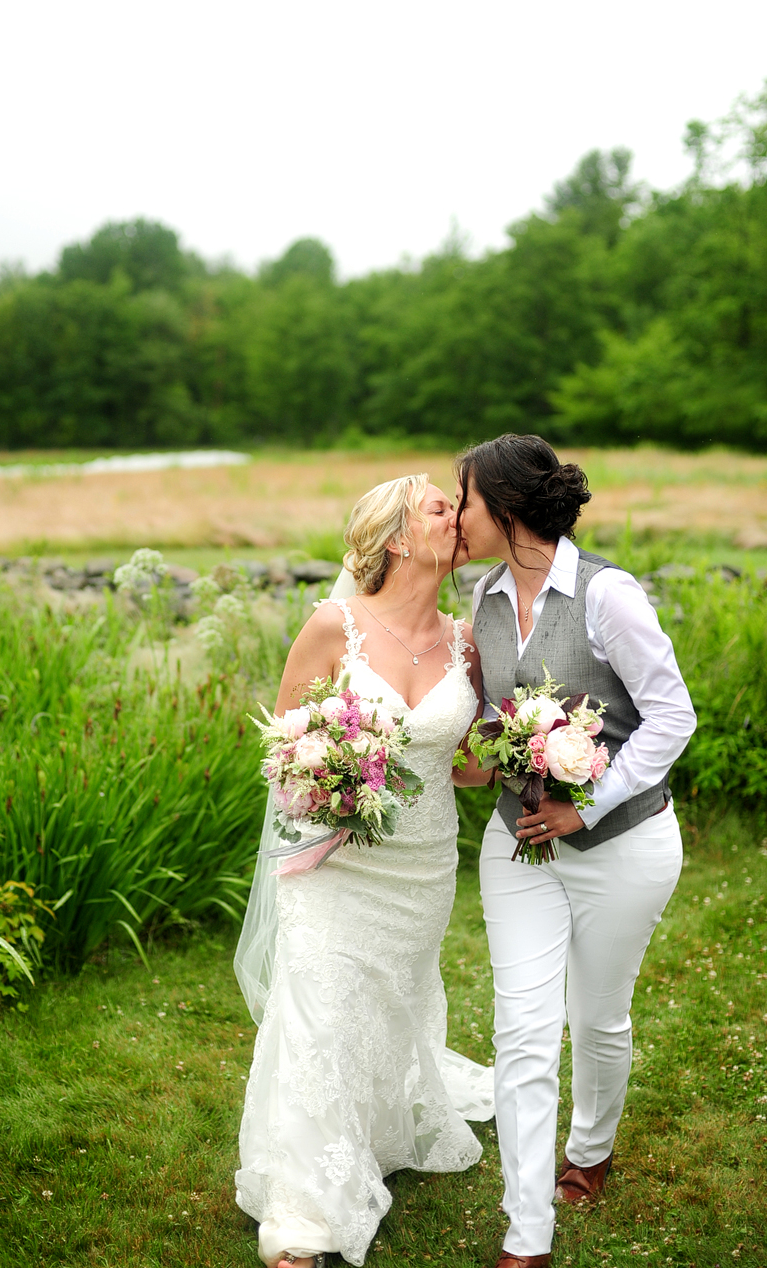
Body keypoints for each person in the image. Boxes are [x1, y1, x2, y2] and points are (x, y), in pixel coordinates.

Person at [234, 473, 495, 1268]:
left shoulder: (466, 641)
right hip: (335, 866)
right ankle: (302, 1216)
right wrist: (337, 781)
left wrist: (528, 751)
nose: (460, 515)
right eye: (442, 507)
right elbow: (284, 755)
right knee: (320, 1009)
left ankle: (372, 1132)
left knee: (387, 1007)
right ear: (396, 538)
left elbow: (464, 764)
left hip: (421, 868)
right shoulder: (331, 625)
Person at [453, 434, 696, 1268]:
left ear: (509, 509)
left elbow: (671, 716)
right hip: (516, 847)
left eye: (466, 501)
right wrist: (477, 759)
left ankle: (588, 1153)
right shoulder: (480, 604)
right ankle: (527, 1231)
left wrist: (585, 807)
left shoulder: (607, 596)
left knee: (598, 1018)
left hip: (625, 847)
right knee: (522, 1031)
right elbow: (492, 728)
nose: (456, 516)